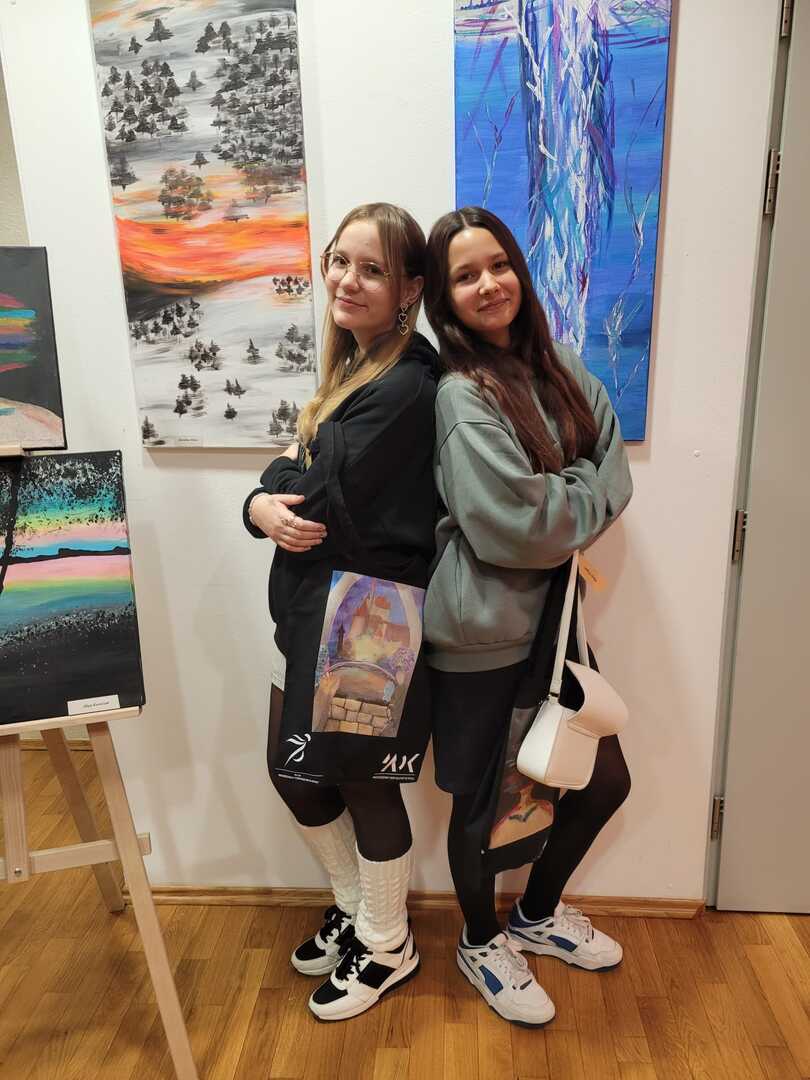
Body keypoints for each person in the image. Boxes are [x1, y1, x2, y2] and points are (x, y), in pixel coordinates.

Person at [423, 206, 633, 1028]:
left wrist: (565, 499)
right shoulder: (459, 395)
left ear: (518, 267)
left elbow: (615, 469)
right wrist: (576, 495)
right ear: (444, 298)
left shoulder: (561, 366)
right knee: (485, 805)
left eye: (498, 264)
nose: (488, 284)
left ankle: (536, 915)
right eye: (464, 276)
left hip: (556, 625)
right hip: (482, 634)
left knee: (601, 780)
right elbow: (517, 525)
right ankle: (480, 940)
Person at [243, 203, 438, 1021]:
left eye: (372, 269)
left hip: (368, 621)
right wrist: (261, 501)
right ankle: (360, 909)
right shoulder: (355, 369)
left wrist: (269, 490)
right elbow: (296, 475)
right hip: (311, 615)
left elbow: (314, 492)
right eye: (339, 261)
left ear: (409, 289)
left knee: (364, 787)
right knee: (292, 769)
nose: (347, 281)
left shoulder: (407, 384)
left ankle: (388, 944)